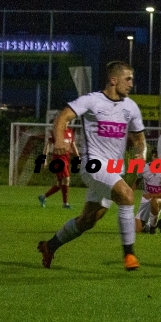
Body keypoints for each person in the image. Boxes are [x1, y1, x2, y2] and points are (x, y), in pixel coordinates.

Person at [37, 61, 147, 271]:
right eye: (128, 79)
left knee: (89, 219)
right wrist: (59, 141)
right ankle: (130, 255)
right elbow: (63, 117)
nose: (131, 84)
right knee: (126, 196)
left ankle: (49, 246)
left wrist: (140, 154)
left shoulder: (130, 107)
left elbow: (139, 138)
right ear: (113, 80)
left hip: (114, 170)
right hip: (94, 166)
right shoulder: (92, 100)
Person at [38, 121, 79, 209]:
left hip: (66, 159)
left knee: (60, 184)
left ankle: (43, 197)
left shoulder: (70, 132)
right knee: (67, 179)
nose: (66, 123)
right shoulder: (55, 132)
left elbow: (73, 145)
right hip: (57, 160)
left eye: (67, 121)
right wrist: (44, 159)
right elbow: (47, 145)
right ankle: (65, 204)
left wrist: (77, 157)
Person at [132, 148, 161, 234]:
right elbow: (138, 180)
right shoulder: (143, 168)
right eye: (155, 156)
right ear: (152, 157)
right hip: (145, 199)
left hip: (160, 199)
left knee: (154, 201)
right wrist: (130, 192)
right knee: (137, 230)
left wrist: (152, 196)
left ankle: (152, 229)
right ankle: (158, 223)